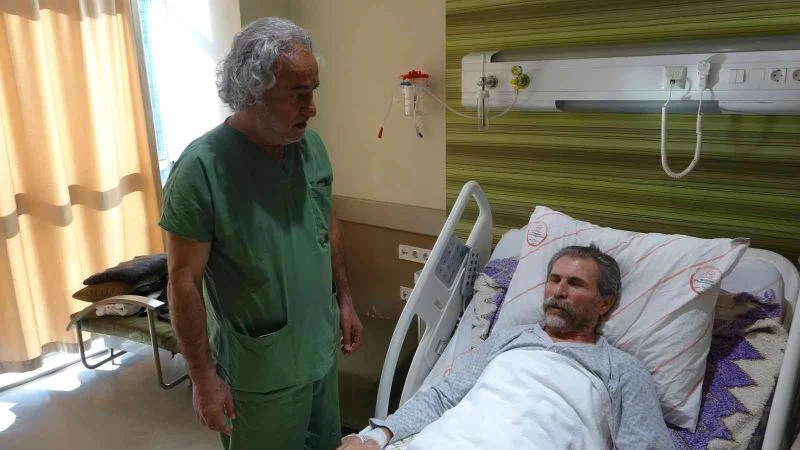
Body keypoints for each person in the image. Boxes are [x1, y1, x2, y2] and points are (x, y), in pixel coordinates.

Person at [160, 17, 363, 450]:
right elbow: (183, 280)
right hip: (259, 374)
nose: (312, 108)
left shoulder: (311, 148)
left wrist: (345, 301)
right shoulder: (201, 170)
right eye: (298, 94)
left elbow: (327, 226)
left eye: (313, 91)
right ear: (252, 91)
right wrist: (203, 379)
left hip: (319, 352)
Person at [340, 245, 673, 449]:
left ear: (604, 303)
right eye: (554, 280)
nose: (559, 291)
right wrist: (378, 435)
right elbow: (444, 396)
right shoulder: (509, 339)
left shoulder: (622, 370)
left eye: (575, 284)